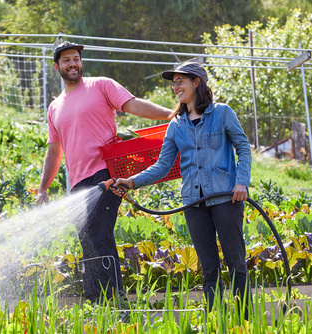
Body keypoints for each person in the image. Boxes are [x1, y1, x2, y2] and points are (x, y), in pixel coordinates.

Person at [111, 61, 252, 316]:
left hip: (226, 198)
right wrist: (131, 181)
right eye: (173, 83)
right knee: (208, 269)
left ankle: (244, 321)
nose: (175, 87)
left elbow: (243, 148)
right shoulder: (176, 124)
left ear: (196, 82)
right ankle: (216, 321)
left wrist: (241, 182)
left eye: (180, 81)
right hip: (193, 204)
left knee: (236, 264)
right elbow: (163, 166)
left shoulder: (222, 113)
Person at [35, 41, 172, 303]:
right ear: (57, 67)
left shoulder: (101, 85)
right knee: (87, 238)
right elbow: (54, 151)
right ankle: (97, 300)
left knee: (98, 232)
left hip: (107, 172)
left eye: (76, 58)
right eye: (66, 60)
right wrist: (43, 189)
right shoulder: (55, 107)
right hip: (78, 183)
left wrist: (170, 114)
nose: (73, 63)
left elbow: (134, 105)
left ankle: (111, 300)